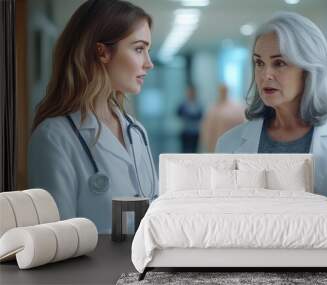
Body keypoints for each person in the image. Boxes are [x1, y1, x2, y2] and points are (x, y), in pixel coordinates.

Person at [215, 12, 327, 233]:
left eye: (279, 63)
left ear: (309, 70)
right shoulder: (229, 144)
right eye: (259, 63)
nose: (265, 74)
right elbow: (221, 225)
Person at [28, 0, 157, 234]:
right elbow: (58, 240)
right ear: (102, 52)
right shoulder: (54, 137)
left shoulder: (136, 131)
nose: (149, 63)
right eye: (139, 49)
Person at [200, 84, 245, 152]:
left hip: (232, 145)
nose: (223, 92)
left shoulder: (237, 108)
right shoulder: (212, 109)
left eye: (224, 90)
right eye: (221, 91)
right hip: (216, 145)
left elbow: (242, 126)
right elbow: (207, 131)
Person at [176, 86, 203, 153]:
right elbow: (178, 113)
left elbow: (201, 116)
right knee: (185, 151)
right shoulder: (183, 104)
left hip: (195, 132)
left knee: (194, 151)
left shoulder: (198, 104)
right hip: (186, 131)